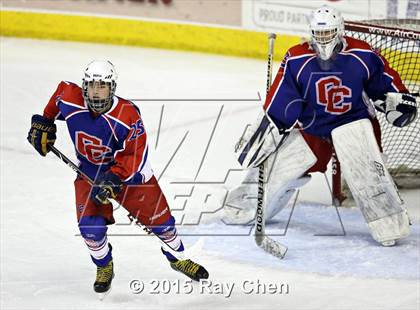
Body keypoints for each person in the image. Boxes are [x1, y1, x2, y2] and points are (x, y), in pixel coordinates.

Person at [226, 6, 417, 247]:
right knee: (278, 170)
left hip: (354, 124)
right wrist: (268, 126)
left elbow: (384, 83)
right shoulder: (297, 58)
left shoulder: (363, 54)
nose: (323, 39)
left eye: (328, 33)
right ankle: (245, 204)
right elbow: (282, 99)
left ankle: (389, 222)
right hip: (313, 127)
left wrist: (395, 100)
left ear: (340, 31)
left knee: (367, 176)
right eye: (318, 33)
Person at [27, 60, 208, 297]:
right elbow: (59, 93)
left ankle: (177, 257)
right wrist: (45, 122)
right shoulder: (71, 98)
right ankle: (104, 266)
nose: (95, 91)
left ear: (112, 88)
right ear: (84, 87)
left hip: (131, 175)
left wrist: (114, 178)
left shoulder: (127, 115)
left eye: (102, 86)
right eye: (91, 86)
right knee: (90, 228)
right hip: (90, 171)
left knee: (163, 225)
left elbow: (136, 154)